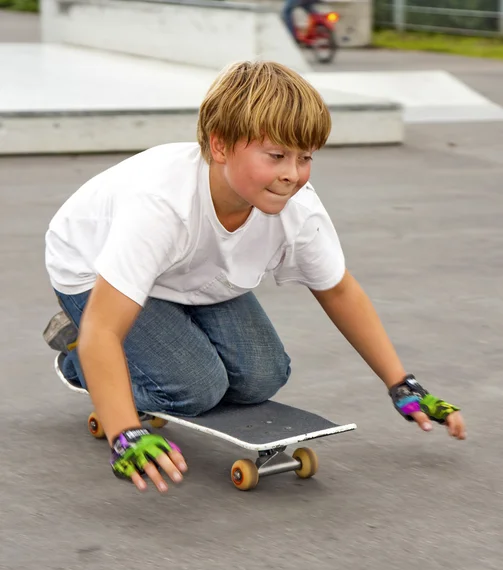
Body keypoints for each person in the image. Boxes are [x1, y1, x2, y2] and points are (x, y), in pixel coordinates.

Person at [44, 60, 466, 494]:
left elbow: (338, 290)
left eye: (305, 158)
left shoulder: (297, 209)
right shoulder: (161, 207)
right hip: (93, 272)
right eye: (277, 156)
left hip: (193, 274)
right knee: (195, 389)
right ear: (221, 145)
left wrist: (401, 384)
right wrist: (124, 432)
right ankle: (78, 358)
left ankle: (157, 339)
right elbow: (103, 329)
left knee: (262, 377)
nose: (292, 175)